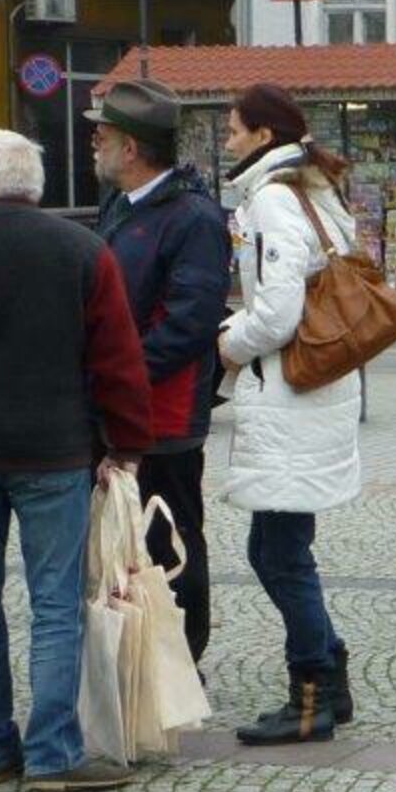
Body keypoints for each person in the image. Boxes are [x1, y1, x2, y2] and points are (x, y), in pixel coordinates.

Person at [0, 130, 153, 792]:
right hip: (54, 452)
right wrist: (126, 444)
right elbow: (117, 361)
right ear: (35, 187)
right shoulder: (82, 251)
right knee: (56, 605)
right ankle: (51, 753)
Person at [214, 85, 363, 743]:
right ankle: (330, 671)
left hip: (290, 396)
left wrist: (226, 342)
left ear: (265, 136)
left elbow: (276, 315)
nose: (227, 138)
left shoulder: (274, 201)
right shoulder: (315, 193)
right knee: (284, 546)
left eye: (235, 128)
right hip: (319, 392)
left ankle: (312, 696)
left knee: (277, 553)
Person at [86, 80, 231, 666]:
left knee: (169, 536)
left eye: (103, 134)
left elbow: (189, 321)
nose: (93, 143)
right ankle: (137, 654)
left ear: (131, 148)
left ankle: (183, 658)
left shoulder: (193, 217)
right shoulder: (121, 206)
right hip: (119, 404)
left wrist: (123, 376)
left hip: (164, 412)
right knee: (124, 537)